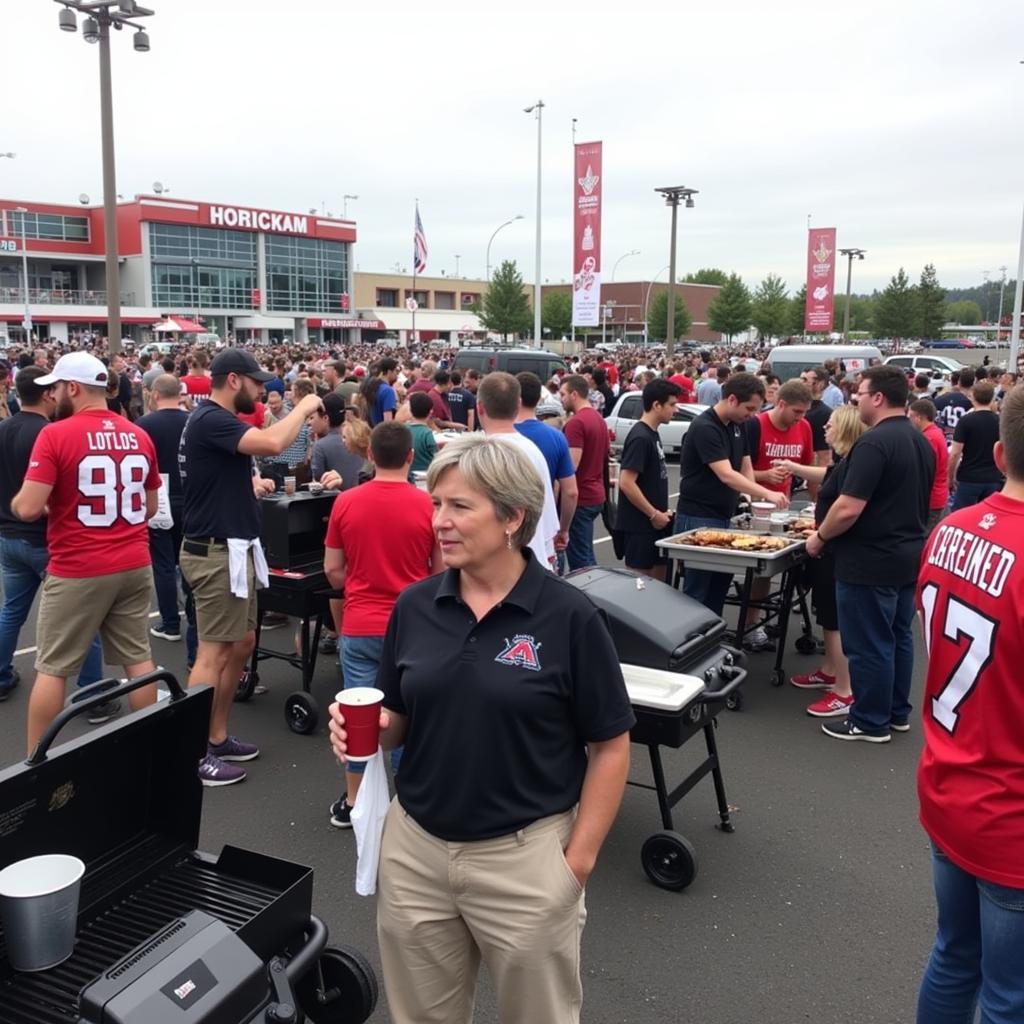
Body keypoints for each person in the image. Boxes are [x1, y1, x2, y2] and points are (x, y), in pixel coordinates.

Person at [327, 434, 634, 1024]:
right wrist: (366, 728)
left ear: (513, 517)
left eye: (459, 506)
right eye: (436, 503)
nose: (439, 521)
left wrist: (578, 863)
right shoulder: (416, 606)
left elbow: (611, 745)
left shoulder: (569, 616)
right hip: (416, 852)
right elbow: (399, 721)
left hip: (525, 859)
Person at [914, 383, 1024, 1024]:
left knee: (955, 956)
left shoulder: (952, 529)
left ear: (1002, 453)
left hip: (949, 781)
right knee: (1010, 996)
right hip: (1009, 811)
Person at [179, 348, 323, 786]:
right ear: (234, 380)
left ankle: (217, 735)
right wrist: (303, 404)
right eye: (257, 382)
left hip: (232, 548)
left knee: (241, 643)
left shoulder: (213, 421)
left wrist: (248, 481)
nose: (264, 389)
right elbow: (275, 442)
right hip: (216, 551)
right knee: (213, 652)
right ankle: (191, 751)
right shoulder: (212, 418)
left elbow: (221, 468)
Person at [11, 352, 163, 752]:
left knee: (52, 667)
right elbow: (148, 507)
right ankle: (148, 746)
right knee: (138, 661)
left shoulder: (55, 434)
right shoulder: (138, 433)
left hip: (79, 566)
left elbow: (27, 508)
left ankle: (35, 761)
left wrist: (35, 503)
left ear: (73, 388)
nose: (54, 395)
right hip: (133, 561)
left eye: (57, 387)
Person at [807, 365, 935, 742]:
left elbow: (849, 507)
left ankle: (869, 719)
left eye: (859, 394)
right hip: (905, 555)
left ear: (878, 397)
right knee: (897, 638)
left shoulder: (874, 443)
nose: (855, 400)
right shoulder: (918, 439)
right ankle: (895, 712)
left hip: (870, 560)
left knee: (868, 643)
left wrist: (819, 537)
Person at [323, 421, 440, 828]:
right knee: (409, 715)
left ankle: (356, 801)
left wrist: (360, 579)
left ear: (369, 455)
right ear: (411, 457)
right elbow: (439, 575)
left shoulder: (346, 502)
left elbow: (333, 571)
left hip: (361, 621)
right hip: (413, 627)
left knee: (359, 718)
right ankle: (409, 800)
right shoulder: (429, 506)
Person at [0, 367, 106, 708]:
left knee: (12, 611)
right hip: (47, 541)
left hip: (9, 537)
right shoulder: (51, 434)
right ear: (48, 394)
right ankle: (93, 696)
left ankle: (1, 675)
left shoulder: (3, 430)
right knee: (81, 618)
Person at [777, 406, 866, 717]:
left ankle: (844, 690)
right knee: (827, 617)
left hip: (835, 549)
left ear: (843, 429)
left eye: (830, 425)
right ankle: (830, 669)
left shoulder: (856, 459)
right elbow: (827, 475)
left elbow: (846, 507)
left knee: (834, 619)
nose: (824, 428)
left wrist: (821, 535)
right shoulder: (845, 460)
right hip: (831, 549)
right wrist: (794, 466)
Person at [675, 373, 788, 615]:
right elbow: (726, 474)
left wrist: (751, 499)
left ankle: (712, 638)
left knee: (719, 585)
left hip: (724, 514)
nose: (753, 414)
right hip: (699, 515)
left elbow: (745, 464)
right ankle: (689, 643)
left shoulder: (740, 425)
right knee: (697, 589)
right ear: (733, 399)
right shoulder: (705, 427)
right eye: (749, 408)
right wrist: (767, 493)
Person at [477, 372, 561, 569]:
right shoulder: (533, 451)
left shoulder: (479, 457)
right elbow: (548, 517)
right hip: (535, 565)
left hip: (500, 571)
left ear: (480, 407)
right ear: (518, 405)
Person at [136, 374, 190, 644]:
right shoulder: (193, 421)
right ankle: (193, 618)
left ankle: (171, 623)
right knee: (190, 561)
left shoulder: (144, 424)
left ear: (155, 395)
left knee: (164, 565)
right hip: (189, 496)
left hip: (157, 496)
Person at [616, 379, 681, 581]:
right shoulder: (640, 437)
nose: (676, 410)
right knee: (640, 586)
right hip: (640, 527)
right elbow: (626, 482)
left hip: (655, 525)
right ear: (656, 405)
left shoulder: (652, 434)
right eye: (672, 404)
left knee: (660, 586)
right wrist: (653, 514)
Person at [514, 372, 578, 568]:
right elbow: (571, 491)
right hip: (541, 523)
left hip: (505, 523)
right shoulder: (556, 437)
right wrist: (563, 529)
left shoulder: (500, 436)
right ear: (539, 400)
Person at [560, 373, 610, 571]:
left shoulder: (576, 423)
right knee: (586, 553)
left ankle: (589, 598)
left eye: (563, 394)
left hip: (581, 497)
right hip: (596, 493)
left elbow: (571, 466)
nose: (560, 399)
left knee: (581, 561)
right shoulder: (598, 419)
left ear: (574, 394)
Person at [948, 380, 1003, 511]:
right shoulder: (1000, 421)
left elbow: (955, 453)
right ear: (992, 398)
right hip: (993, 478)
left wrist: (950, 477)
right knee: (987, 518)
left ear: (973, 397)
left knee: (961, 517)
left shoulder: (966, 421)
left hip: (969, 477)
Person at [908, 398, 950, 532]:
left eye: (910, 417)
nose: (908, 420)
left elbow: (921, 470)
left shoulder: (928, 439)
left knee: (925, 538)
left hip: (931, 498)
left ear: (918, 418)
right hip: (939, 494)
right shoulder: (936, 432)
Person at [311, 393, 369, 490]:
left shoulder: (320, 446)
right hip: (363, 493)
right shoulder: (360, 437)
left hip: (335, 498)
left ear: (326, 418)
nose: (309, 422)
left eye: (312, 417)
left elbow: (319, 478)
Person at [934, 368, 974, 441]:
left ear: (959, 382)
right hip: (964, 443)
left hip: (944, 440)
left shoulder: (941, 398)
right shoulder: (974, 403)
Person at [406, 391, 439, 472]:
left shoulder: (403, 429)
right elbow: (436, 455)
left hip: (407, 472)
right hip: (425, 472)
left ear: (410, 410)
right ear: (430, 412)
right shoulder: (427, 433)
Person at [360, 358, 399, 426]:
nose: (397, 374)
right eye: (395, 370)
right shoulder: (388, 391)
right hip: (382, 432)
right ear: (389, 371)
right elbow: (388, 422)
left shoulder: (371, 387)